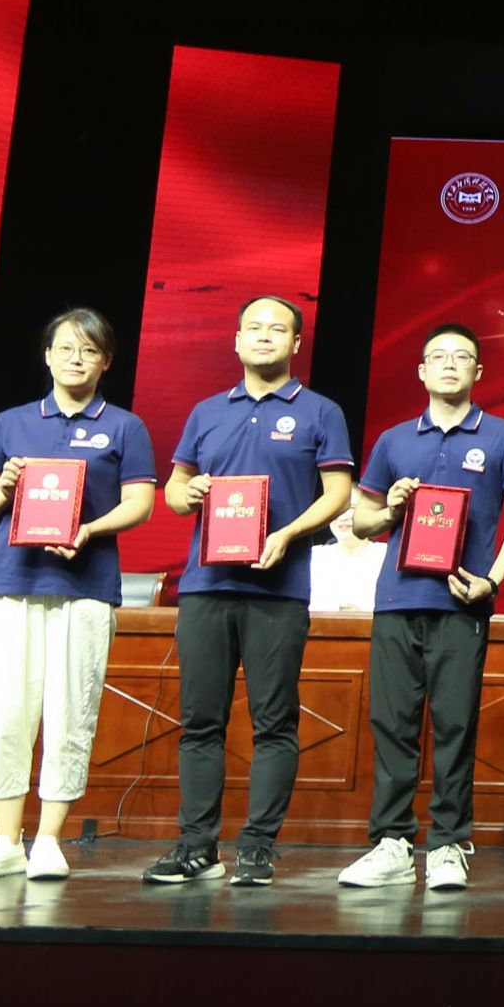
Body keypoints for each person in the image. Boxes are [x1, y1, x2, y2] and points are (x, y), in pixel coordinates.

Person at [151, 296, 353, 888]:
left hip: (278, 590)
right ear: (237, 340)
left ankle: (258, 847)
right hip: (206, 585)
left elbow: (338, 492)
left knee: (274, 722)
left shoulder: (320, 411)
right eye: (254, 328)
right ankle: (197, 847)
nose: (265, 337)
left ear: (296, 344)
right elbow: (175, 488)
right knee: (200, 721)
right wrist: (186, 494)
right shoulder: (207, 411)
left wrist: (288, 534)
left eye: (278, 329)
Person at [335, 324, 504, 894]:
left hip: (461, 603)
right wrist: (391, 508)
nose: (450, 364)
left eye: (462, 357)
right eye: (439, 357)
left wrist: (491, 580)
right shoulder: (394, 440)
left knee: (455, 725)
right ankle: (393, 843)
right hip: (398, 598)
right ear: (422, 371)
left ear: (478, 371)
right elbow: (362, 521)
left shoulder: (503, 436)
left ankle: (449, 843)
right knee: (392, 724)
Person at [0, 309, 159, 882]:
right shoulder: (12, 422)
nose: (75, 358)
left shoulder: (125, 427)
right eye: (65, 348)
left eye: (88, 350)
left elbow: (140, 503)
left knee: (72, 711)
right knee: (8, 711)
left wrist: (88, 530)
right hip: (9, 583)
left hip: (85, 586)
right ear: (46, 356)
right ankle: (5, 841)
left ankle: (49, 839)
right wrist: (5, 486)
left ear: (105, 362)